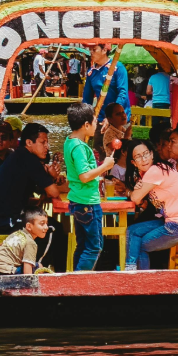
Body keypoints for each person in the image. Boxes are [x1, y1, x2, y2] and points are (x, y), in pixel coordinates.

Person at [124, 139, 178, 270]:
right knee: (132, 231)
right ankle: (131, 270)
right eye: (138, 157)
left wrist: (132, 192)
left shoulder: (155, 170)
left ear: (152, 154)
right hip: (174, 221)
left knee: (139, 245)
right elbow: (138, 200)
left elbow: (135, 198)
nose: (144, 159)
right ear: (133, 163)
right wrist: (137, 189)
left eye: (146, 154)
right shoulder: (147, 174)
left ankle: (138, 281)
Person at [0, 122, 66, 234]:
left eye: (47, 143)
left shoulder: (20, 155)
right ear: (29, 142)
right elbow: (53, 192)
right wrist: (68, 186)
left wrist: (51, 178)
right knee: (54, 229)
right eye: (43, 142)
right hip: (5, 223)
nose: (46, 147)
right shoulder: (29, 160)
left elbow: (44, 191)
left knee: (52, 224)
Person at [64, 102, 115, 272]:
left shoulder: (69, 141)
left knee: (83, 245)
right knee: (94, 247)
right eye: (94, 121)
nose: (97, 124)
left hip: (79, 200)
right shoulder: (79, 147)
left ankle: (74, 280)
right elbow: (84, 176)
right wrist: (105, 166)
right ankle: (79, 281)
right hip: (87, 203)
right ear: (86, 125)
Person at [0, 209, 50, 276]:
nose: (46, 227)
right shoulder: (31, 243)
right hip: (4, 271)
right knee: (38, 267)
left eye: (46, 224)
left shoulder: (15, 234)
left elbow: (0, 246)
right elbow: (27, 274)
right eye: (42, 224)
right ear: (29, 226)